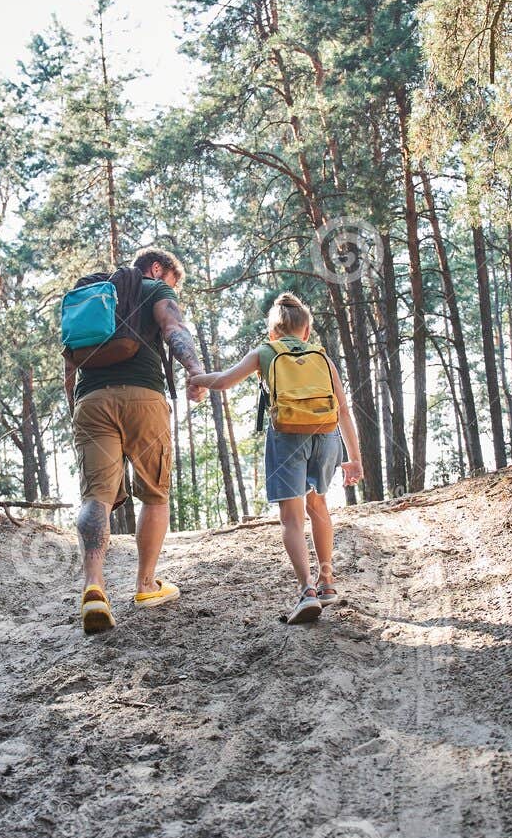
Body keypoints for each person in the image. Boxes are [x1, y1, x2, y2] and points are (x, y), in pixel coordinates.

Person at [189, 292, 363, 624]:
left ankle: (306, 591)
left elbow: (224, 381)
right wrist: (354, 457)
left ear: (272, 332)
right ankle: (326, 581)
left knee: (292, 518)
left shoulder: (265, 352)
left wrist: (197, 380)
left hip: (287, 437)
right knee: (318, 506)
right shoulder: (322, 357)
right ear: (306, 330)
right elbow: (342, 409)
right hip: (326, 436)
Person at [64, 249, 206, 635]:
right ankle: (146, 585)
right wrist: (195, 370)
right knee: (155, 494)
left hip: (91, 400)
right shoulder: (155, 287)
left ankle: (94, 585)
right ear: (158, 268)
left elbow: (70, 361)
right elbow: (172, 328)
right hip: (144, 397)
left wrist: (77, 404)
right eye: (172, 281)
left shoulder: (92, 294)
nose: (171, 288)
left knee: (96, 497)